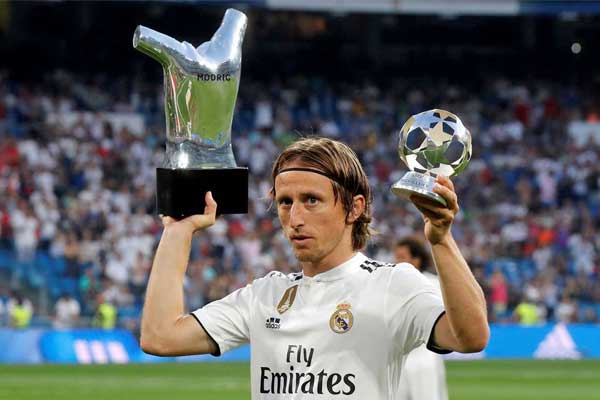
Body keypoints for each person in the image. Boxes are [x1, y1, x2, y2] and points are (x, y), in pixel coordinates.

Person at [141, 137, 489, 399]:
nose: (295, 218)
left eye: (311, 200)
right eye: (285, 202)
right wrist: (178, 232)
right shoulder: (265, 295)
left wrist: (441, 240)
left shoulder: (392, 285)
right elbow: (160, 337)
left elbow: (471, 337)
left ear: (354, 208)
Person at [395, 237, 448, 400]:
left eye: (402, 257)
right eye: (396, 257)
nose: (397, 262)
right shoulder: (391, 284)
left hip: (425, 357)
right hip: (397, 358)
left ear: (416, 260)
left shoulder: (433, 284)